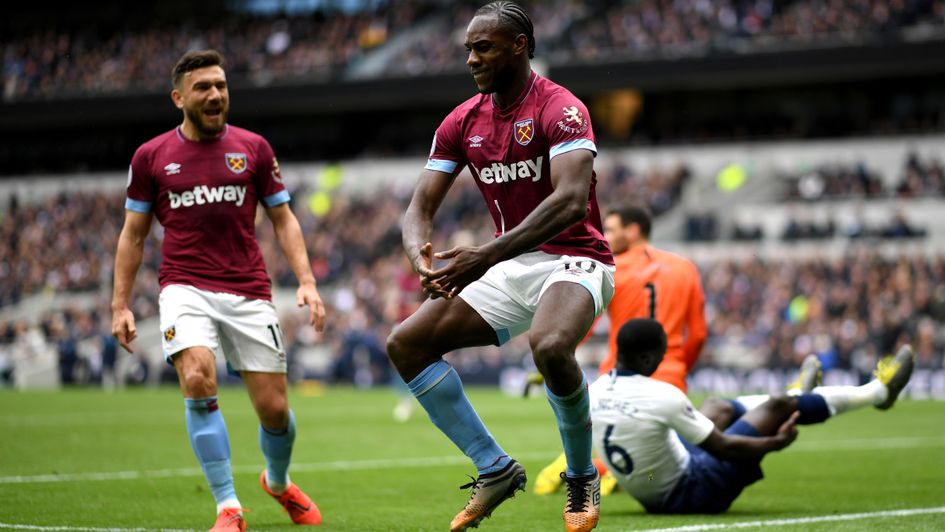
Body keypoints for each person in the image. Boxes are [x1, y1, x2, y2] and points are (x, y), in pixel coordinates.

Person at [385, 2, 614, 531]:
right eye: (468, 47)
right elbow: (418, 208)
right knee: (406, 344)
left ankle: (581, 476)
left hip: (578, 258)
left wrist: (486, 255)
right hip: (511, 263)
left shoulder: (563, 109)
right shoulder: (462, 121)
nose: (470, 58)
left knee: (551, 345)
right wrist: (418, 252)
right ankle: (494, 468)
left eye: (482, 46)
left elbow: (571, 202)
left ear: (519, 45)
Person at [111, 50, 326, 532]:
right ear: (179, 97)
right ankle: (228, 506)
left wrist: (308, 281)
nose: (215, 95)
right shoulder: (151, 157)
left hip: (248, 289)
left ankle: (277, 480)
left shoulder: (254, 148)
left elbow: (282, 219)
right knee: (197, 377)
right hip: (183, 286)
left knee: (275, 411)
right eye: (203, 87)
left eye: (221, 86)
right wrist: (119, 304)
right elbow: (133, 235)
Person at [590, 318, 915, 514]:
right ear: (647, 358)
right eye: (661, 355)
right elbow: (725, 450)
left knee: (718, 406)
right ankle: (878, 393)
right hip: (691, 491)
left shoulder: (596, 389)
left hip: (654, 488)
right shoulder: (662, 395)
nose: (663, 360)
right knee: (777, 407)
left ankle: (797, 395)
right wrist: (775, 442)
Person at [534, 202, 707, 494]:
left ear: (633, 230)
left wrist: (553, 360)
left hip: (617, 374)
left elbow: (583, 326)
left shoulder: (612, 268)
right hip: (670, 372)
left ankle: (574, 471)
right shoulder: (685, 268)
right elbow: (699, 334)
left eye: (611, 231)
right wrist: (677, 366)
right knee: (666, 447)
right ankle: (615, 475)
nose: (606, 237)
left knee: (602, 436)